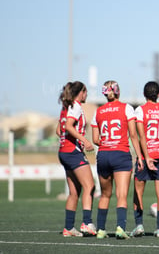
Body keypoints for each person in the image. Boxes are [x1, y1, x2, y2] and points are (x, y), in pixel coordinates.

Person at [91, 80, 143, 240]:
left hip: (104, 155)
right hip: (120, 154)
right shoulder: (127, 108)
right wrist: (140, 156)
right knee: (121, 195)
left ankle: (100, 230)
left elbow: (95, 139)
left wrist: (108, 143)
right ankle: (120, 228)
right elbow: (133, 135)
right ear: (118, 92)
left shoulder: (98, 111)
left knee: (105, 195)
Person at [56, 81, 96, 237]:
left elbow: (59, 130)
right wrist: (84, 141)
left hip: (64, 151)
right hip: (72, 152)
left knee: (74, 192)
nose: (86, 95)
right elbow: (68, 127)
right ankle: (86, 223)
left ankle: (68, 228)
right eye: (85, 92)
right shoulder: (76, 106)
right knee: (90, 186)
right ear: (81, 92)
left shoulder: (66, 107)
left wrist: (73, 142)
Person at [131, 81, 159, 238]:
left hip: (145, 156)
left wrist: (144, 157)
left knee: (138, 192)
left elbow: (141, 136)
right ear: (158, 94)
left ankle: (139, 225)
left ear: (144, 94)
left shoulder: (140, 110)